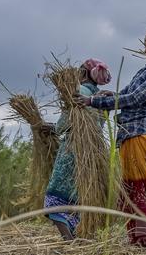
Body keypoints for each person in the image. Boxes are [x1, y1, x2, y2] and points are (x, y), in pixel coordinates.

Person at [78, 30, 146, 247]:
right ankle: (142, 238)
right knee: (134, 188)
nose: (145, 50)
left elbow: (135, 98)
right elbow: (124, 94)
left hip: (143, 134)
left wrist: (93, 103)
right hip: (129, 135)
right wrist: (110, 96)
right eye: (145, 45)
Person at [43, 59, 112, 240]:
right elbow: (100, 124)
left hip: (74, 148)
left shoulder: (77, 93)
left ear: (82, 74)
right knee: (83, 193)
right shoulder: (103, 97)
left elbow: (62, 126)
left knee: (55, 196)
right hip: (94, 151)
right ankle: (81, 235)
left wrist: (50, 128)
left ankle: (68, 239)